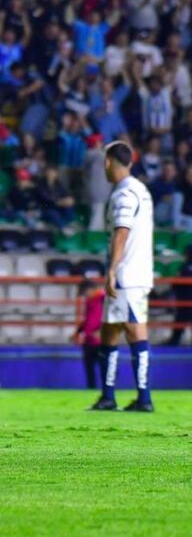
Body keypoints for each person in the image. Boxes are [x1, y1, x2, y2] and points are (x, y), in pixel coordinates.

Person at [90, 141, 155, 412]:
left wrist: (112, 270)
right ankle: (109, 395)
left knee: (132, 328)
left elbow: (122, 231)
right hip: (139, 271)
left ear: (108, 162)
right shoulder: (141, 190)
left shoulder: (123, 194)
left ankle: (143, 398)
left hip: (127, 274)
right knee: (110, 330)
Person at [73, 279, 105, 389]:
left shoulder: (103, 298)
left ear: (91, 289)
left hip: (102, 340)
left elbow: (111, 317)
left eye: (85, 293)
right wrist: (78, 332)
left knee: (105, 367)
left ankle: (107, 390)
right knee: (89, 368)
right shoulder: (89, 301)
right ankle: (91, 389)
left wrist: (102, 330)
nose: (85, 295)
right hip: (89, 339)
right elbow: (87, 319)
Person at [166, 246, 192, 346]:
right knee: (180, 322)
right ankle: (174, 341)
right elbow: (175, 284)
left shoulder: (184, 267)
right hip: (184, 301)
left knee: (180, 320)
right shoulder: (184, 267)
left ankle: (174, 341)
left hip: (185, 301)